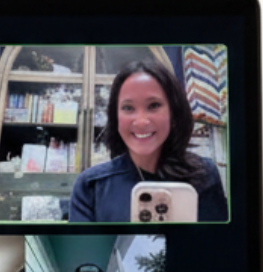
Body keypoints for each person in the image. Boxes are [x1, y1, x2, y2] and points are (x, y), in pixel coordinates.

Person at [68, 59, 229, 223]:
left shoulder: (205, 175)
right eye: (128, 108)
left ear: (174, 112)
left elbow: (220, 245)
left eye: (153, 105)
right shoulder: (91, 186)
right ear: (115, 117)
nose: (141, 121)